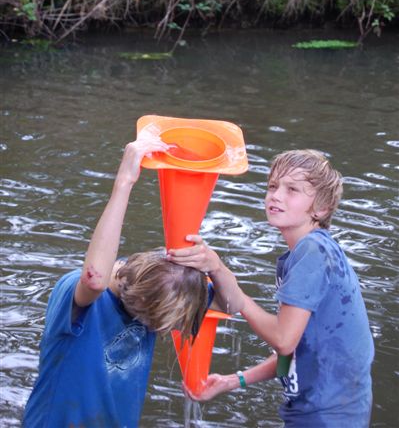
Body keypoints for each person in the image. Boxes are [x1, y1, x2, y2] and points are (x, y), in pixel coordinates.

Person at [168, 149, 375, 427]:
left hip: (327, 416)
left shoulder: (312, 252)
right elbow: (293, 351)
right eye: (273, 186)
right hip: (328, 410)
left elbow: (284, 339)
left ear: (322, 208)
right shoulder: (307, 252)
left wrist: (240, 300)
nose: (276, 195)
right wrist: (233, 381)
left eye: (292, 190)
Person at [23, 134, 212, 428]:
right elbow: (95, 279)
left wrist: (212, 263)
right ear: (142, 302)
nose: (156, 331)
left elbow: (231, 301)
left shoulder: (166, 289)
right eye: (154, 325)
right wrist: (124, 182)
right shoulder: (79, 298)